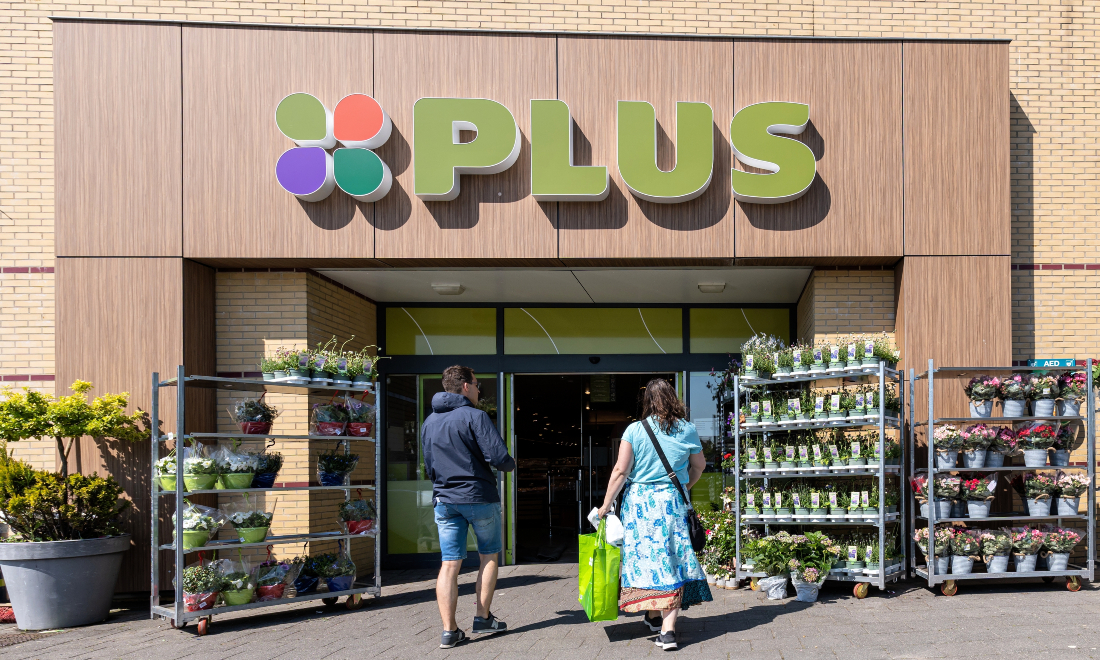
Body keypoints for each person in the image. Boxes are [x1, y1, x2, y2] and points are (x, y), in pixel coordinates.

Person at [597, 378, 712, 651]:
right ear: (673, 399)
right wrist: (683, 487)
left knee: (646, 561)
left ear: (647, 401)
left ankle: (668, 631)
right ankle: (654, 616)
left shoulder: (635, 430)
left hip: (639, 506)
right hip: (672, 502)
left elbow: (621, 472)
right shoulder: (687, 429)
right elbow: (699, 466)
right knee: (672, 560)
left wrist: (605, 505)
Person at [422, 365, 516, 649]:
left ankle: (449, 631)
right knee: (488, 556)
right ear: (465, 386)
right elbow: (498, 456)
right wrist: (510, 464)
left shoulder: (429, 422)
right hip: (478, 497)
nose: (478, 390)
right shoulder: (476, 416)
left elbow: (429, 467)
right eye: (476, 385)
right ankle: (482, 617)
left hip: (445, 501)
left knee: (449, 564)